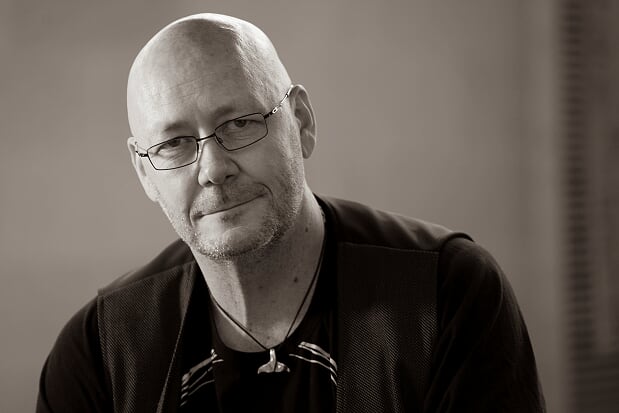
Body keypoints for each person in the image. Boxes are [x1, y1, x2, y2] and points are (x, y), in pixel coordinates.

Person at [36, 13, 546, 413]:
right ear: (145, 172)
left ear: (300, 122)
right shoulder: (101, 351)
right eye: (173, 143)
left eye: (239, 123)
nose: (213, 169)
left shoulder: (444, 293)